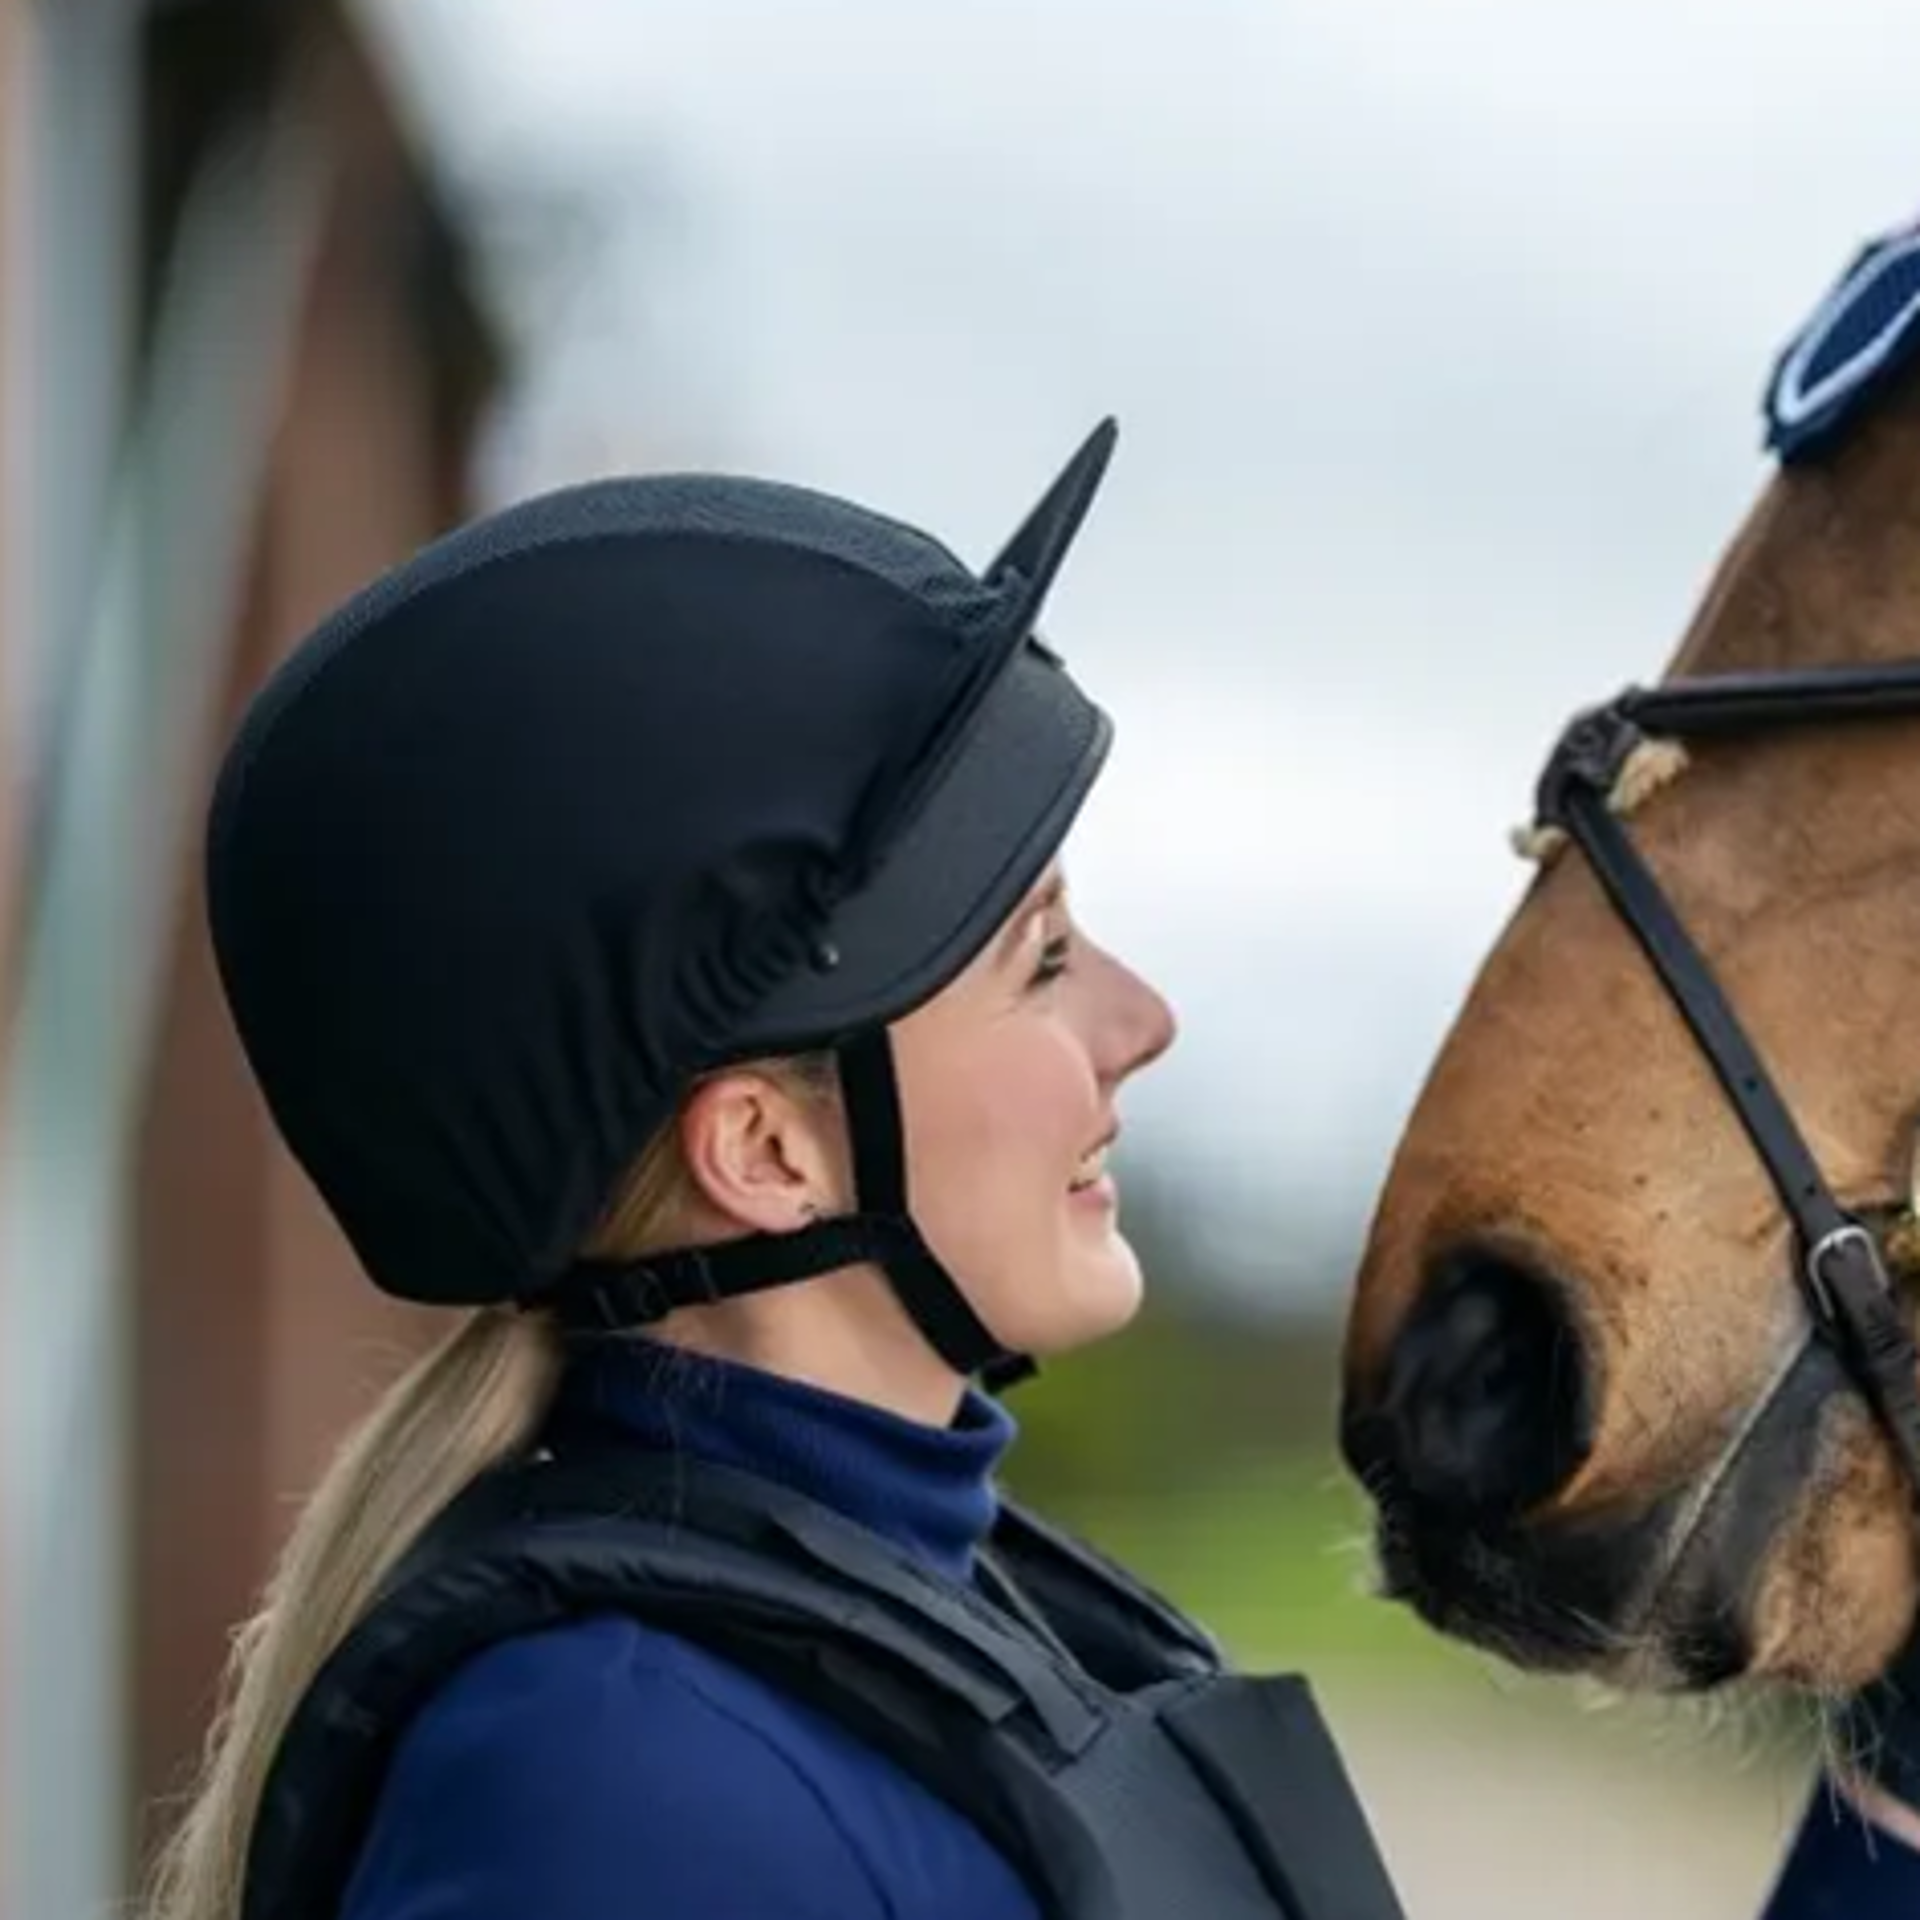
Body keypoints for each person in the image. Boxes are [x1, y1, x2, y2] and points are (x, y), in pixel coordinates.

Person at [139, 420, 1920, 1920]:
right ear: (766, 1148)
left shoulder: (942, 1624)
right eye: (1042, 961)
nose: (1141, 1022)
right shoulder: (623, 1792)